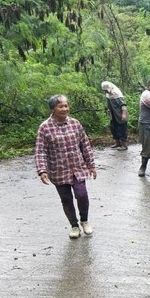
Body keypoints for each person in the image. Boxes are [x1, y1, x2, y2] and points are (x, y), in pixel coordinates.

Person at [35, 95, 97, 239]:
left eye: (66, 106)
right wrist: (42, 170)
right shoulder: (45, 127)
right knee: (66, 199)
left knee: (82, 194)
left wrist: (91, 165)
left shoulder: (75, 124)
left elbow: (85, 145)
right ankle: (74, 226)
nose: (64, 109)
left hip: (78, 167)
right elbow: (40, 151)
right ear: (53, 109)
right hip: (58, 170)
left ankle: (84, 220)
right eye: (60, 106)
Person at [101, 81, 129, 150]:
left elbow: (123, 105)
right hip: (113, 115)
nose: (106, 92)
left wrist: (124, 114)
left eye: (106, 90)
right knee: (113, 128)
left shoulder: (117, 94)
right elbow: (108, 104)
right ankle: (118, 143)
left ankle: (124, 145)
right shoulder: (108, 94)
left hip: (119, 115)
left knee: (121, 129)